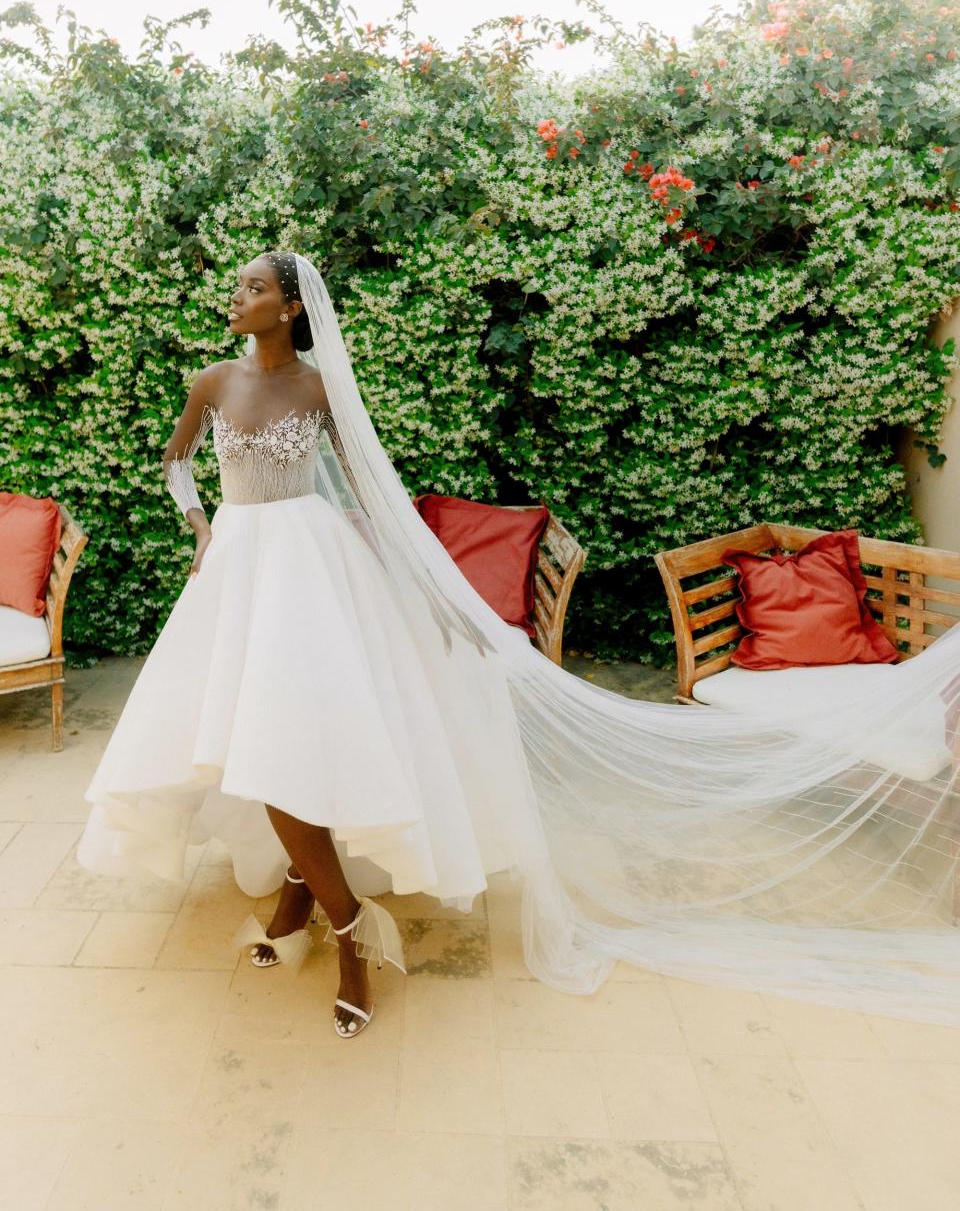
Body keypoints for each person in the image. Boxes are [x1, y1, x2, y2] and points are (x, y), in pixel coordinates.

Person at [77, 250, 960, 1034]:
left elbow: (368, 493)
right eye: (239, 288)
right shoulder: (210, 381)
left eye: (255, 288)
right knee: (245, 743)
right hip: (237, 568)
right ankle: (312, 898)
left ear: (294, 308)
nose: (237, 298)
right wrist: (198, 525)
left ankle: (338, 926)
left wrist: (423, 591)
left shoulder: (317, 389)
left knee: (297, 741)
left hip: (312, 568)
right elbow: (177, 460)